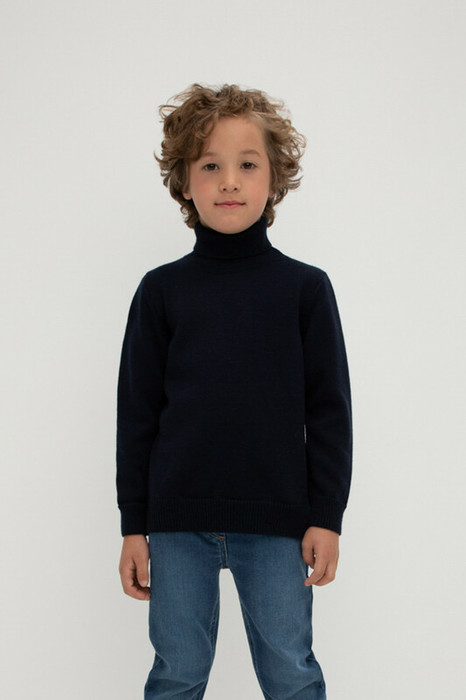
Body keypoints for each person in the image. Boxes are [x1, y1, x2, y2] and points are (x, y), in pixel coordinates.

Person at [116, 83, 352, 700]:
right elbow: (136, 415)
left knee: (291, 673)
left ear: (274, 178)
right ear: (184, 182)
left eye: (247, 165)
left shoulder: (305, 290)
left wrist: (327, 517)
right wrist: (134, 526)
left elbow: (330, 414)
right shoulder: (161, 291)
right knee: (177, 672)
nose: (229, 181)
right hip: (177, 524)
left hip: (278, 520)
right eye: (209, 166)